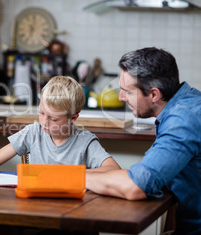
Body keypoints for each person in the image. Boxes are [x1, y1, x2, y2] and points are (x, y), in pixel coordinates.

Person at [85, 47, 201, 235]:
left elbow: (135, 186)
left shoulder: (183, 120)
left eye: (128, 92)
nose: (122, 97)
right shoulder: (186, 103)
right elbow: (143, 171)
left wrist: (74, 177)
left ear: (154, 94)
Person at [0, 76, 120, 178]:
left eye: (54, 119)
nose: (44, 122)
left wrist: (73, 174)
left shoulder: (85, 141)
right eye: (42, 113)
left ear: (73, 118)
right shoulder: (33, 132)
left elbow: (113, 170)